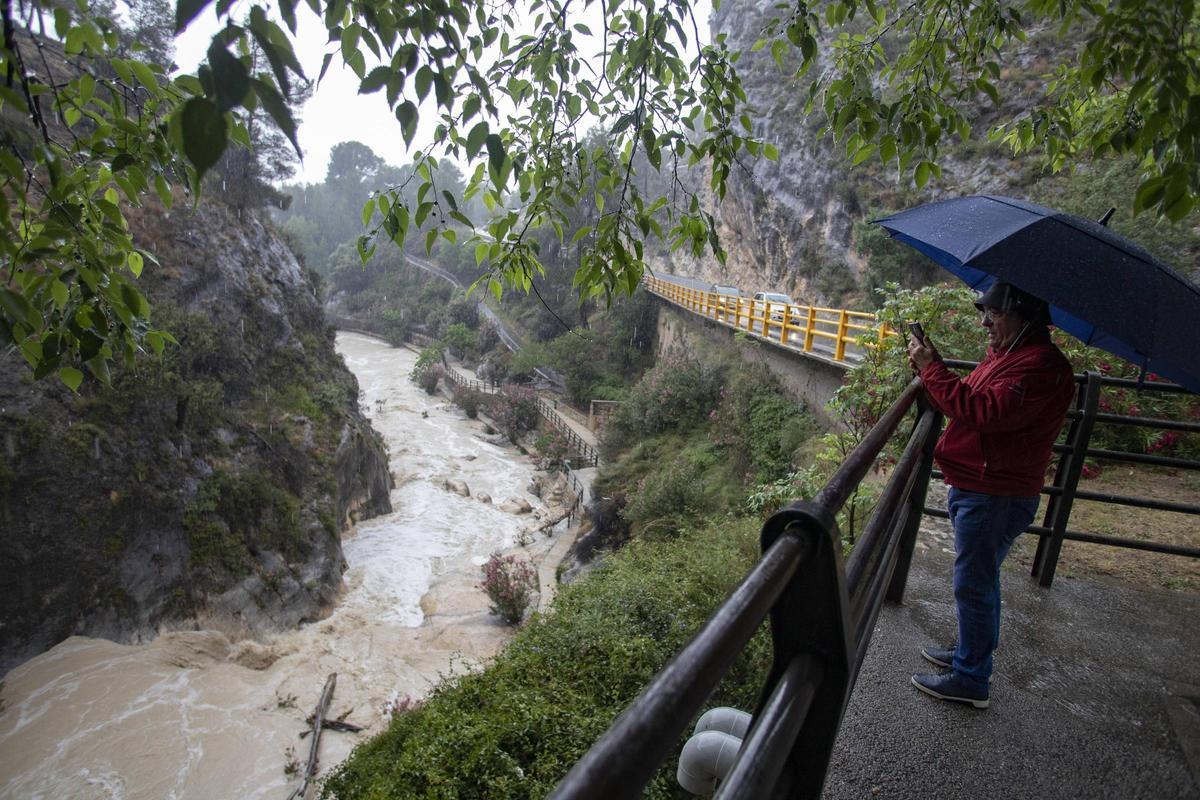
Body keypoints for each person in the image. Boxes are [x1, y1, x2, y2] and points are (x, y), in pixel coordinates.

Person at [906, 281, 1076, 709]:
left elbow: (980, 411)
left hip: (994, 492)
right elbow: (973, 396)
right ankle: (969, 654)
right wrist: (935, 367)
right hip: (985, 486)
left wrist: (931, 370)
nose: (985, 322)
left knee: (974, 584)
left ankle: (971, 678)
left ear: (1025, 315)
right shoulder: (1010, 356)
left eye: (995, 313)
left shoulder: (1038, 367)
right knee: (981, 580)